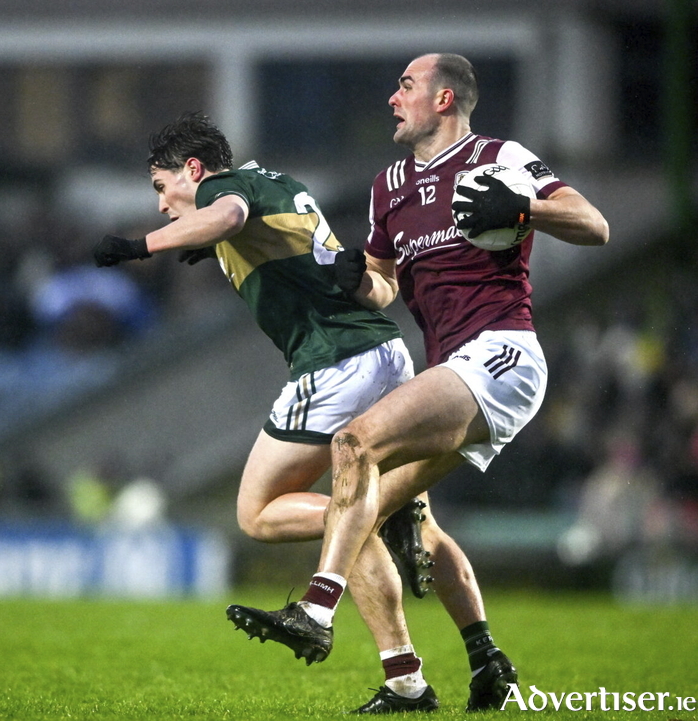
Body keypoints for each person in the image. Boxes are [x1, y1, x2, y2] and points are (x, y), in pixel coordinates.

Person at [228, 53, 610, 712]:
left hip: (501, 356)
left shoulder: (500, 156)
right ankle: (470, 661)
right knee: (382, 511)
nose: (391, 98)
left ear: (444, 99)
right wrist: (358, 280)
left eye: (405, 85)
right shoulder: (389, 186)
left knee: (353, 445)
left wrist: (524, 207)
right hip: (450, 370)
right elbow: (383, 284)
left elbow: (595, 226)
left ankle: (316, 612)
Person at [92, 112, 503, 714]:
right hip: (386, 352)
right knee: (405, 519)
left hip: (335, 361)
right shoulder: (277, 181)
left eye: (162, 187)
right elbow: (259, 233)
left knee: (260, 513)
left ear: (195, 169)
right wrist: (221, 248)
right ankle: (453, 663)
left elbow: (227, 214)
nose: (161, 205)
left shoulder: (220, 193)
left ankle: (376, 520)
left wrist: (138, 246)